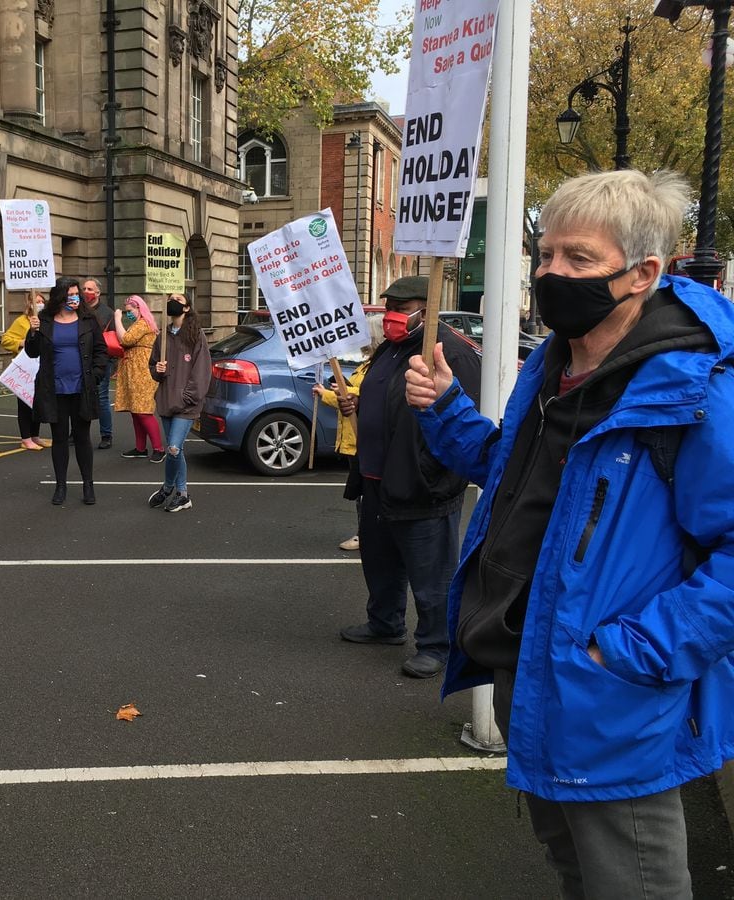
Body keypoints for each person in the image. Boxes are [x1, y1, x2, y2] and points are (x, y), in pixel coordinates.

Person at [405, 170, 734, 897]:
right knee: (572, 869)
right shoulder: (555, 363)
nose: (552, 272)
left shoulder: (697, 390)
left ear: (643, 273)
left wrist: (624, 652)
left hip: (615, 690)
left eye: (578, 259)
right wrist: (446, 411)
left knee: (632, 884)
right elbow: (513, 477)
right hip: (534, 663)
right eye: (545, 254)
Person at [335, 275, 481, 679]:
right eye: (390, 309)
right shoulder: (391, 349)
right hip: (377, 479)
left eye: (402, 308)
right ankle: (385, 623)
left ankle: (436, 645)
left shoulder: (448, 352)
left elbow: (467, 416)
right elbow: (385, 396)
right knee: (380, 562)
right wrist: (358, 402)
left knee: (431, 574)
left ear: (427, 310)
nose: (392, 316)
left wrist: (434, 473)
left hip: (423, 486)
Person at [25, 276, 107, 505]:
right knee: (60, 439)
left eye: (76, 294)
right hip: (54, 389)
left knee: (82, 438)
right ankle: (60, 486)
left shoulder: (88, 319)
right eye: (70, 294)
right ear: (60, 296)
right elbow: (32, 353)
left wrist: (97, 375)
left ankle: (88, 485)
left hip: (82, 388)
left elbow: (101, 350)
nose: (75, 298)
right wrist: (32, 333)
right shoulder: (44, 320)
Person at [312, 313, 385, 552]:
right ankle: (367, 533)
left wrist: (331, 393)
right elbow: (354, 396)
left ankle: (366, 534)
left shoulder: (377, 366)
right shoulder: (370, 363)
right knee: (363, 492)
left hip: (361, 440)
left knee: (365, 493)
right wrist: (335, 391)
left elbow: (360, 398)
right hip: (355, 440)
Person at [148, 293, 211, 513]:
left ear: (186, 308)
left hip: (186, 404)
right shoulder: (162, 336)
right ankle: (176, 492)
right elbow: (153, 366)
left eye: (177, 299)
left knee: (174, 447)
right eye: (170, 298)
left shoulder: (196, 335)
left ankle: (173, 490)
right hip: (166, 401)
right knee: (176, 449)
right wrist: (157, 370)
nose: (171, 301)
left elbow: (202, 371)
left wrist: (189, 397)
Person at [113, 294, 165, 462]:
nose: (128, 314)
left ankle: (159, 448)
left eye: (130, 310)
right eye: (126, 311)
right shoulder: (139, 323)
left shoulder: (143, 323)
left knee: (143, 412)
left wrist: (117, 319)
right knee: (136, 412)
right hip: (135, 372)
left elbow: (126, 340)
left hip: (142, 372)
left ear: (139, 308)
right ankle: (140, 448)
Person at [0, 290, 49, 451]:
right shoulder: (21, 321)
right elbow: (6, 339)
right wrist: (23, 342)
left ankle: (35, 436)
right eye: (36, 301)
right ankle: (26, 438)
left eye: (42, 301)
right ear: (28, 303)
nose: (39, 304)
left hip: (40, 367)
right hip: (25, 369)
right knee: (24, 404)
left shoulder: (46, 320)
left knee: (37, 403)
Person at [81, 276, 115, 449]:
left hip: (101, 360)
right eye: (84, 289)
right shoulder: (78, 309)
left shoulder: (107, 312)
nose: (86, 292)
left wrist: (112, 363)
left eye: (89, 289)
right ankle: (76, 433)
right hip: (81, 359)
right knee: (78, 397)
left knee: (101, 398)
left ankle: (106, 435)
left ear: (98, 292)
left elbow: (115, 338)